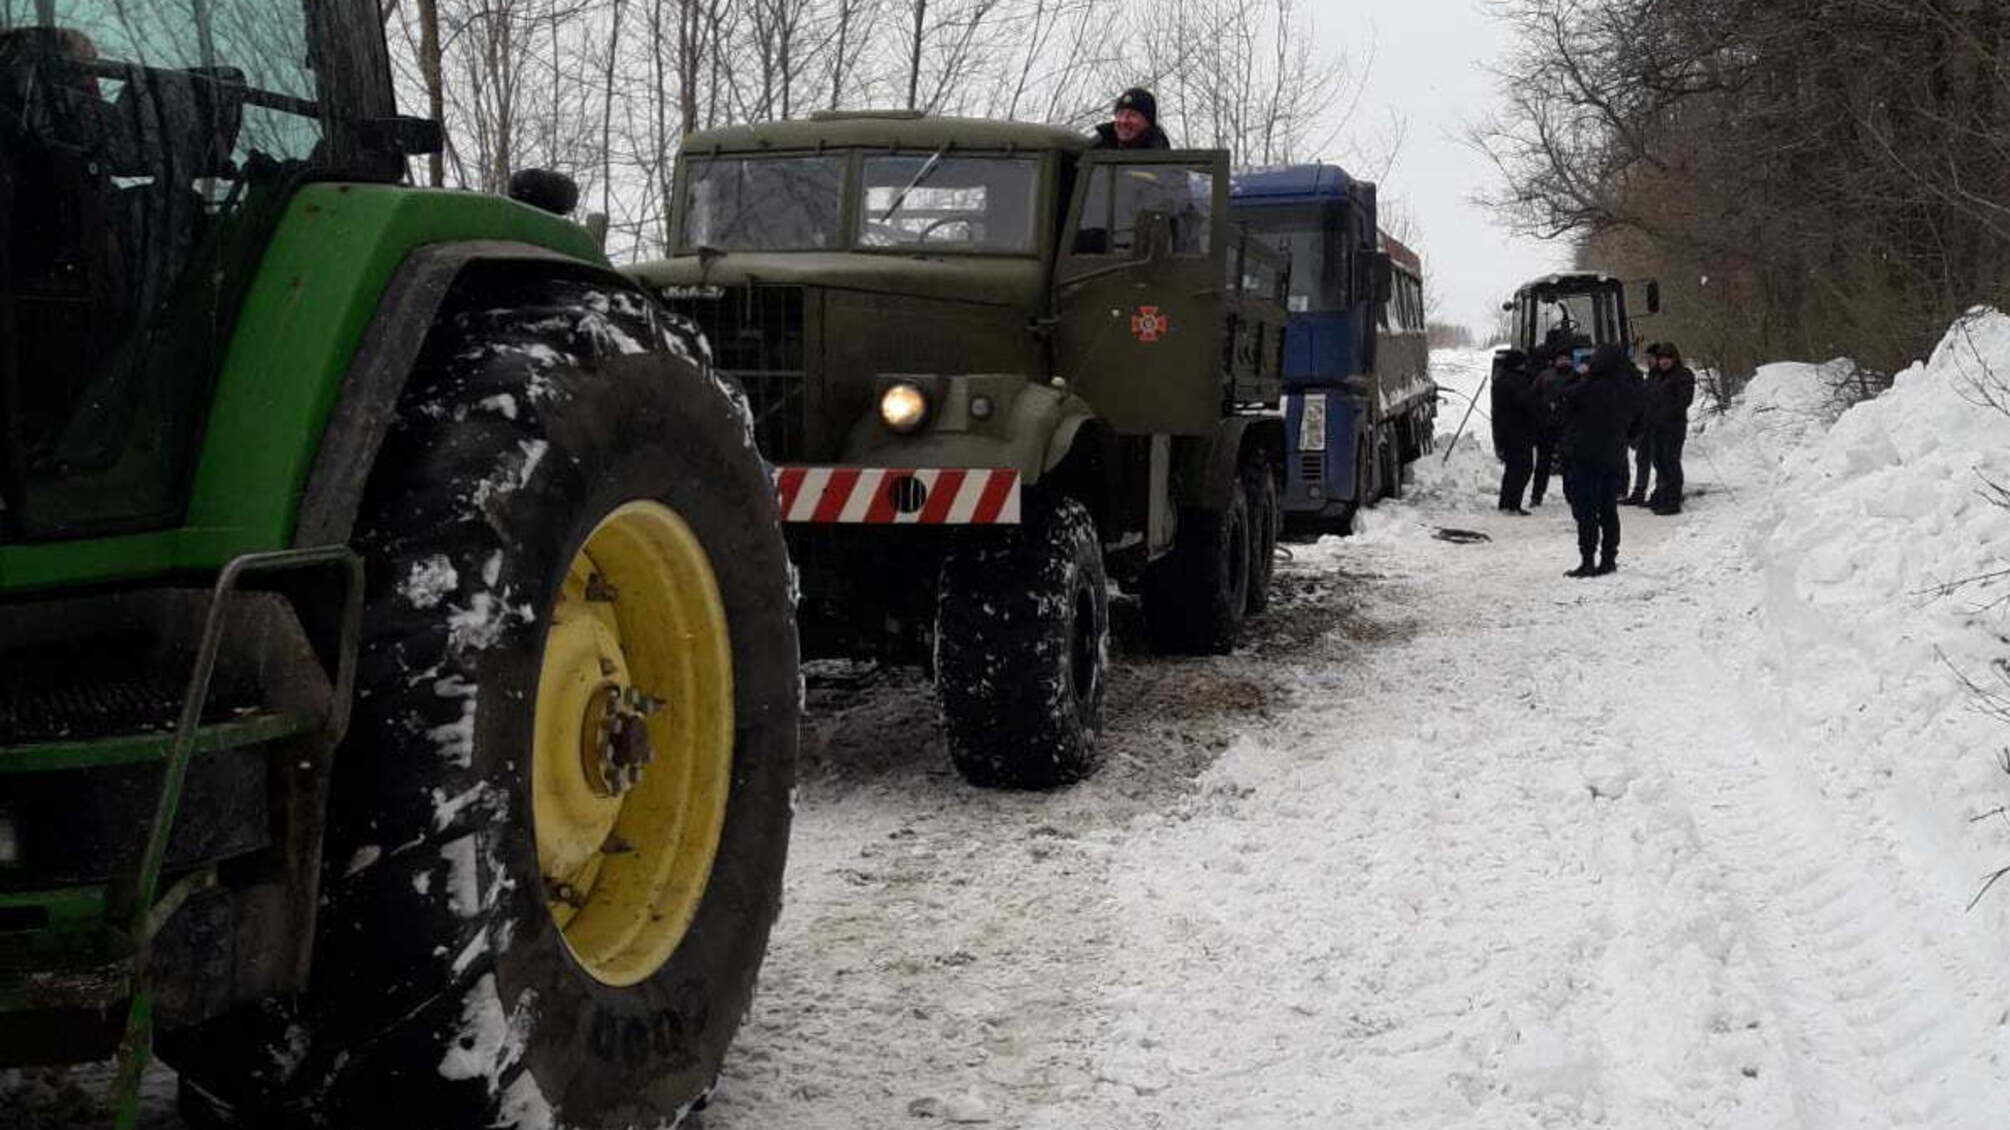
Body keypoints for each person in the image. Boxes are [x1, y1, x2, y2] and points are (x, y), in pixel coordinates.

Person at [1557, 343, 1643, 577]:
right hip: (1614, 455)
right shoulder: (1628, 388)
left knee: (1586, 511)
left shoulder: (1589, 386)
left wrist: (1577, 374)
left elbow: (1564, 395)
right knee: (1608, 510)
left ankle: (1587, 560)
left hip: (1585, 455)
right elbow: (1639, 418)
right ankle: (1609, 559)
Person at [1644, 342, 1696, 514]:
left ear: (1674, 359)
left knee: (1670, 460)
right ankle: (1662, 494)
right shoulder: (1656, 376)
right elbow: (1649, 398)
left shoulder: (1683, 375)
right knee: (1658, 460)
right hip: (1655, 426)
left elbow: (1684, 400)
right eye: (1661, 359)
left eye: (1667, 358)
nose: (1664, 362)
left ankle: (1673, 499)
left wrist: (1666, 412)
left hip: (1673, 425)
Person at [1491, 351, 1539, 514]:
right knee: (1523, 468)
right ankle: (1513, 504)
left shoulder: (1500, 380)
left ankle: (1505, 503)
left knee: (1512, 468)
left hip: (1505, 429)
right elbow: (1526, 402)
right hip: (1520, 430)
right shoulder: (1518, 381)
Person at [1529, 347, 1572, 506]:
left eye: (1567, 359)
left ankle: (1571, 494)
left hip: (1568, 426)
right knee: (1543, 462)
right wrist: (1545, 406)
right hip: (1547, 426)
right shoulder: (1545, 376)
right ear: (1555, 361)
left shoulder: (1576, 377)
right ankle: (1537, 495)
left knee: (1569, 463)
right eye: (1561, 359)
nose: (1564, 362)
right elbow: (1533, 396)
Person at [1622, 343, 1660, 505]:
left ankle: (1662, 490)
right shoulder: (1650, 376)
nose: (1649, 361)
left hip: (1659, 424)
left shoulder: (1662, 377)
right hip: (1645, 424)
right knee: (1642, 458)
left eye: (1651, 358)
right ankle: (1639, 490)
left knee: (1660, 460)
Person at [1092, 87, 1172, 150]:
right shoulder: (1095, 147)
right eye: (1120, 114)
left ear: (1148, 122)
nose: (1124, 121)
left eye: (1132, 115)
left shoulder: (1161, 155)